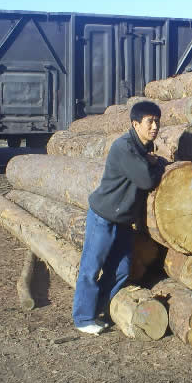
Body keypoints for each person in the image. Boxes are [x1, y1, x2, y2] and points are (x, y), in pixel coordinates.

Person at [72, 100, 164, 335]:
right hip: (103, 217)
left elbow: (148, 168)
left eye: (157, 121)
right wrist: (156, 165)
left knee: (122, 270)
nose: (155, 126)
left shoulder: (144, 148)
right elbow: (146, 180)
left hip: (123, 220)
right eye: (150, 121)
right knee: (91, 268)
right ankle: (83, 318)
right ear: (135, 124)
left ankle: (98, 311)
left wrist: (152, 162)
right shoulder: (124, 147)